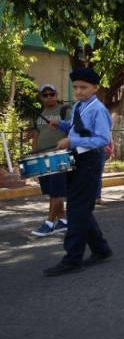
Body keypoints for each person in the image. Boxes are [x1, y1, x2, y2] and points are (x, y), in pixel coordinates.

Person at [43, 68, 114, 276]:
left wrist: (72, 141)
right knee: (79, 206)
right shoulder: (78, 107)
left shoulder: (98, 109)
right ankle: (101, 250)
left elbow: (102, 139)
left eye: (83, 87)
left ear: (95, 88)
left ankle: (73, 258)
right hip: (77, 159)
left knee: (77, 209)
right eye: (76, 87)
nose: (79, 91)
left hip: (90, 160)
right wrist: (62, 125)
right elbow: (77, 129)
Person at [28, 84, 69, 237]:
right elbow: (37, 135)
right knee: (50, 191)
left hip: (60, 156)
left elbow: (74, 130)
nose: (49, 97)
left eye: (51, 94)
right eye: (45, 95)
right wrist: (33, 155)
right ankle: (63, 220)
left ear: (56, 95)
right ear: (41, 98)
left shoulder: (64, 110)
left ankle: (49, 223)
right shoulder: (40, 114)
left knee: (56, 191)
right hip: (42, 157)